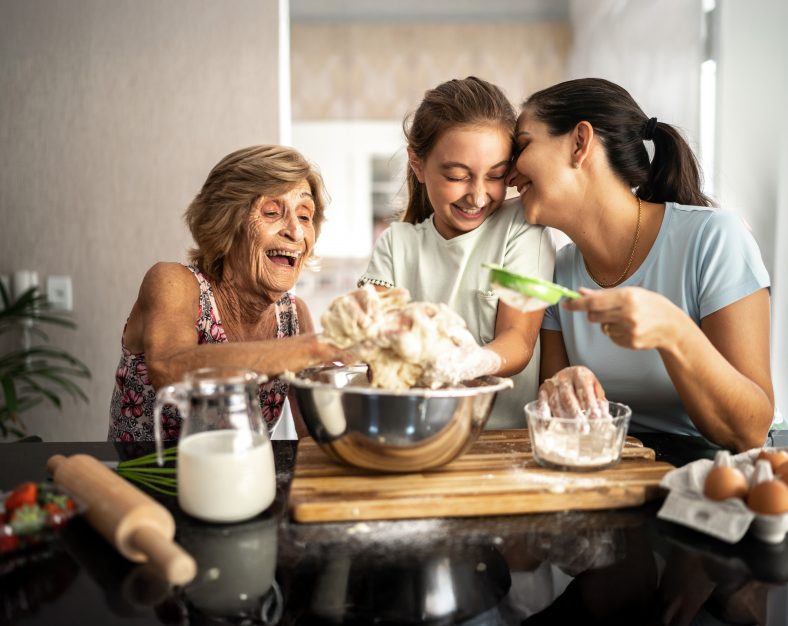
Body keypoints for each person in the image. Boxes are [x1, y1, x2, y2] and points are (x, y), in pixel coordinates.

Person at [508, 78, 773, 452]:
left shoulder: (714, 239)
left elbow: (750, 431)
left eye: (522, 146)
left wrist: (673, 332)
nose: (509, 173)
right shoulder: (559, 270)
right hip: (613, 472)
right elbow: (561, 417)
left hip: (707, 480)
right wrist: (558, 390)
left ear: (580, 143)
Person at [108, 145, 349, 442]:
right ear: (226, 222)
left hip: (242, 482)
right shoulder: (173, 283)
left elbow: (315, 435)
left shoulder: (294, 317)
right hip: (143, 484)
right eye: (272, 212)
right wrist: (317, 347)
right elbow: (168, 368)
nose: (296, 233)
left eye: (304, 216)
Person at [357, 76, 556, 428]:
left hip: (503, 444)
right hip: (418, 435)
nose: (478, 196)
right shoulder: (396, 244)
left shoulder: (521, 226)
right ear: (418, 164)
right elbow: (378, 353)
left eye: (495, 176)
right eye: (457, 176)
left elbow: (519, 340)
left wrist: (472, 361)